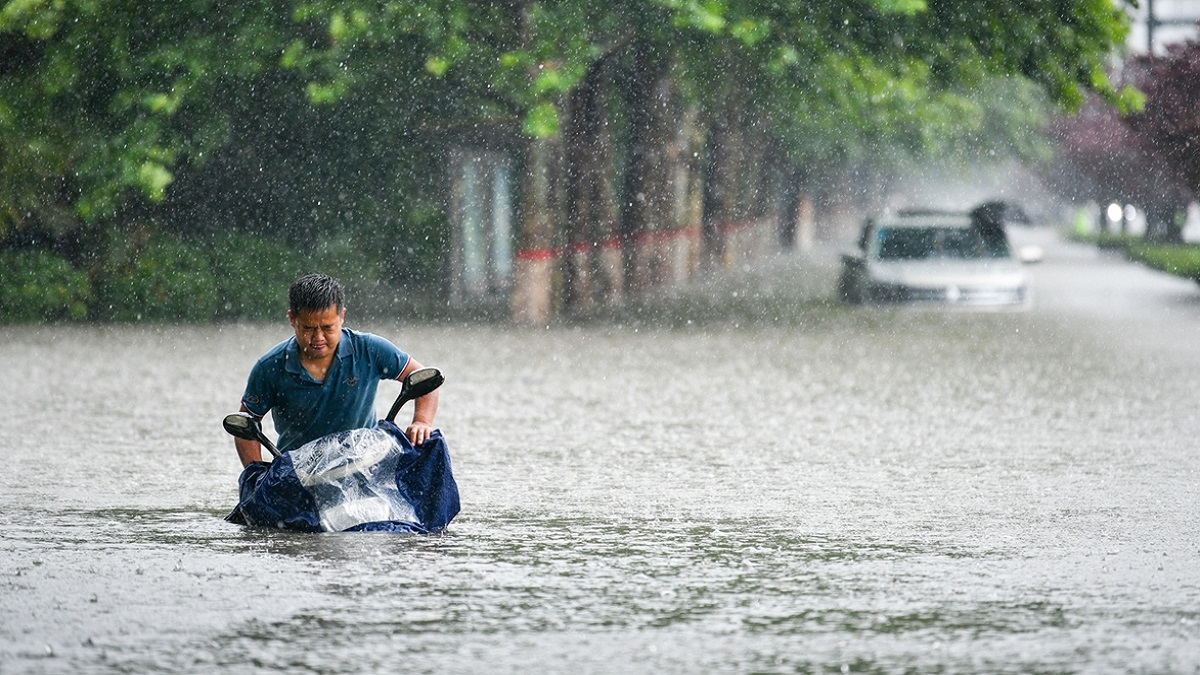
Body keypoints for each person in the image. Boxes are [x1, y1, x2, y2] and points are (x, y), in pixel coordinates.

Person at [233, 273, 438, 467]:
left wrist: (421, 421)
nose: (318, 337)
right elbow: (246, 426)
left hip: (364, 463)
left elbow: (424, 379)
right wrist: (257, 473)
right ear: (292, 319)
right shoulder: (270, 367)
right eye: (308, 328)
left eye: (328, 327)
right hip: (299, 475)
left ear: (342, 316)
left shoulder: (369, 349)